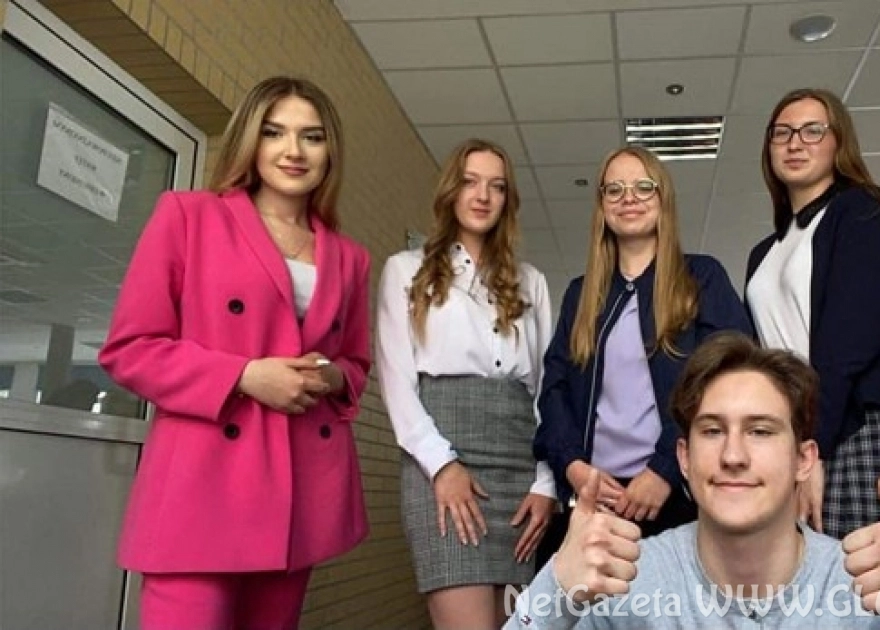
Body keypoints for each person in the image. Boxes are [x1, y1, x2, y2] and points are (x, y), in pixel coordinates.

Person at [507, 333, 880, 629]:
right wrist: (553, 592)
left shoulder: (868, 587)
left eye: (760, 431)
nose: (733, 456)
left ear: (804, 460)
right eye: (712, 431)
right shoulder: (627, 581)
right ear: (683, 458)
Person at [99, 77, 370, 629]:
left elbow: (356, 363)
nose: (293, 150)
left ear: (330, 152)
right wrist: (245, 375)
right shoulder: (189, 216)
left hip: (300, 488)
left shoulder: (349, 257)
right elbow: (130, 348)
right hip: (204, 483)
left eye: (312, 136)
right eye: (274, 132)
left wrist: (330, 377)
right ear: (250, 139)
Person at [534, 147, 754, 566]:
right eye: (614, 189)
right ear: (601, 206)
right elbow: (554, 390)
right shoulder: (581, 295)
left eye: (643, 186)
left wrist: (665, 469)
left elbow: (731, 378)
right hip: (597, 500)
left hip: (678, 493)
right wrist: (574, 467)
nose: (628, 198)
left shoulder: (701, 278)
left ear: (662, 198)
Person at [745, 88, 880, 550]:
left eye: (813, 131)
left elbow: (849, 343)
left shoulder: (861, 211)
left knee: (868, 579)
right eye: (782, 133)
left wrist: (816, 445)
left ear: (839, 142)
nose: (795, 143)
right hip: (797, 430)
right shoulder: (765, 251)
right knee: (803, 576)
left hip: (857, 425)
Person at [376, 138, 556, 629]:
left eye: (497, 186)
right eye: (471, 182)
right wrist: (443, 466)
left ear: (508, 200)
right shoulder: (405, 271)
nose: (483, 196)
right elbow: (397, 384)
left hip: (519, 472)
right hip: (442, 463)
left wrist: (546, 482)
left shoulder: (531, 281)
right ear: (450, 191)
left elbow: (547, 392)